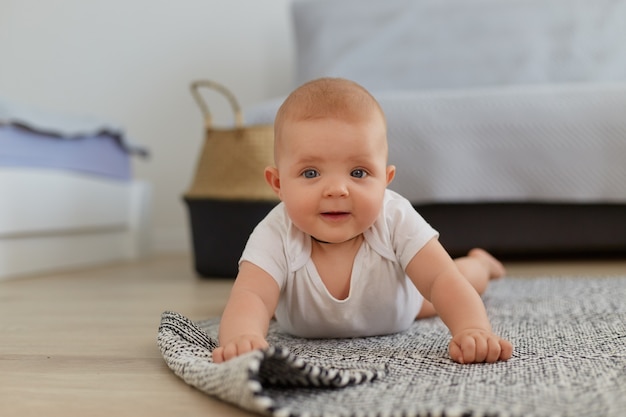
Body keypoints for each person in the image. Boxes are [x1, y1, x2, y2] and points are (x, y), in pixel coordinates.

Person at [212, 77, 513, 364]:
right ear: (278, 184)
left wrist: (473, 330)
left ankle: (482, 263)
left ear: (385, 181)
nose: (336, 190)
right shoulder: (275, 232)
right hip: (299, 317)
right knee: (265, 301)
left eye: (358, 173)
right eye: (311, 173)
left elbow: (440, 279)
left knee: (458, 281)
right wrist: (243, 337)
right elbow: (250, 294)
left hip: (401, 309)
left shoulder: (395, 217)